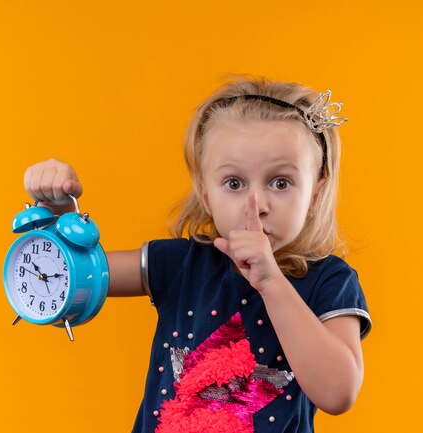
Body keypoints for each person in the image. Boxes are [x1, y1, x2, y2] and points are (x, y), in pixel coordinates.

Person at [23, 75, 373, 433]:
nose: (258, 204)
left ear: (315, 194)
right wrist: (60, 213)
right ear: (206, 195)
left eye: (280, 182)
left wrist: (271, 282)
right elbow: (71, 280)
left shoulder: (330, 280)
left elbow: (337, 393)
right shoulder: (181, 265)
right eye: (234, 183)